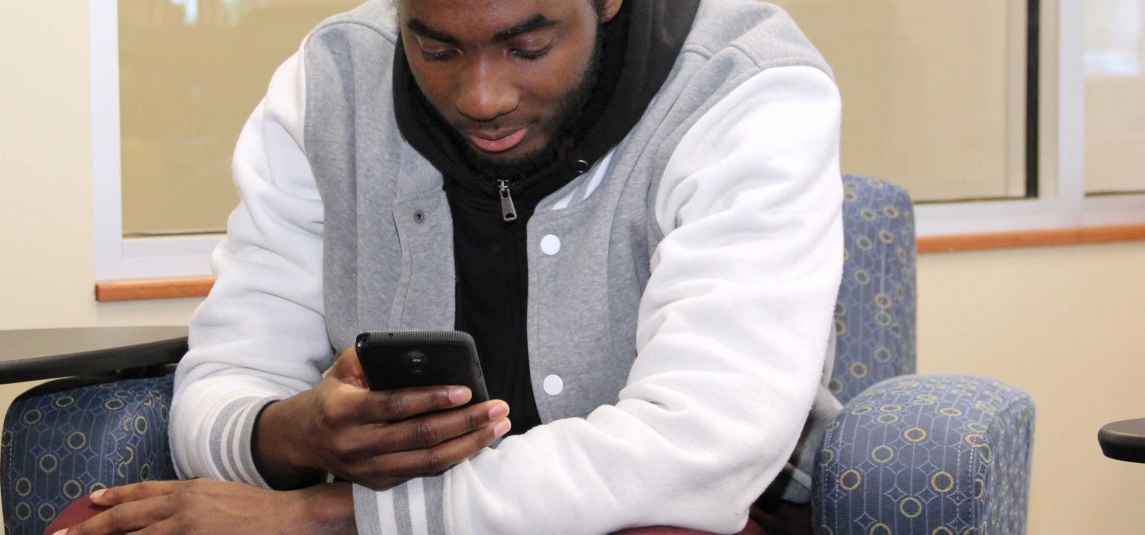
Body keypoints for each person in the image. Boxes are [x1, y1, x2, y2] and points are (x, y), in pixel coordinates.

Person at [57, 0, 844, 533]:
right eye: (436, 47)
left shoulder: (747, 89)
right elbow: (227, 373)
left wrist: (325, 515)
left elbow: (697, 452)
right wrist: (300, 434)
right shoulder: (326, 87)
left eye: (528, 46)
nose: (482, 96)